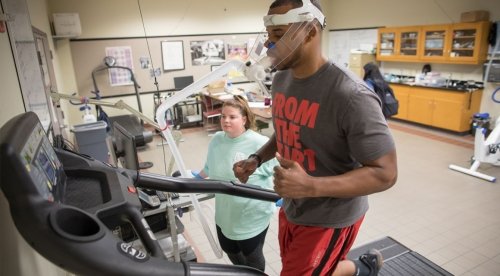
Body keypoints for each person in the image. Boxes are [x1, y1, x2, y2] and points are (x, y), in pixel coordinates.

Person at [233, 1, 398, 275]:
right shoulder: (283, 79)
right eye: (269, 36)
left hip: (330, 217)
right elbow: (288, 128)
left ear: (309, 32)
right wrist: (257, 158)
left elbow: (386, 174)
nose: (270, 46)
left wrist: (310, 186)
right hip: (293, 205)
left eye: (279, 35)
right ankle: (362, 267)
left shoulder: (350, 95)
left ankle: (361, 267)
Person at [196, 95, 278, 272]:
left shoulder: (260, 144)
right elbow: (210, 167)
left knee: (253, 257)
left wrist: (283, 196)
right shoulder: (217, 139)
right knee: (230, 249)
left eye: (232, 117)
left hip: (251, 216)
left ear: (244, 119)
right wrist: (197, 178)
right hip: (225, 213)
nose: (226, 121)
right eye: (223, 116)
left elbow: (282, 169)